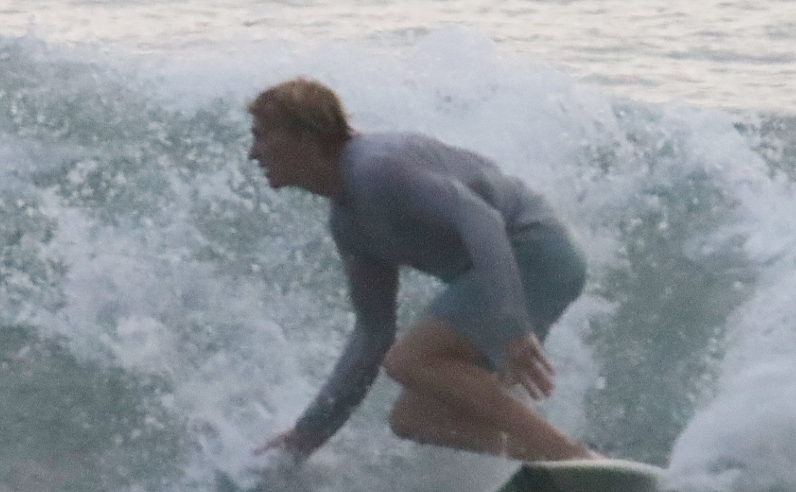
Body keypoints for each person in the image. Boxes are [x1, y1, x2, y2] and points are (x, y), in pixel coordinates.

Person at [249, 78, 600, 464]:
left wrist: (513, 325)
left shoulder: (376, 167)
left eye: (262, 136)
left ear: (303, 135)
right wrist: (305, 438)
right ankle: (563, 464)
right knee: (416, 418)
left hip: (535, 253)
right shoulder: (350, 224)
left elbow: (480, 217)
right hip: (505, 276)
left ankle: (570, 455)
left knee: (411, 360)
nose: (254, 153)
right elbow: (372, 335)